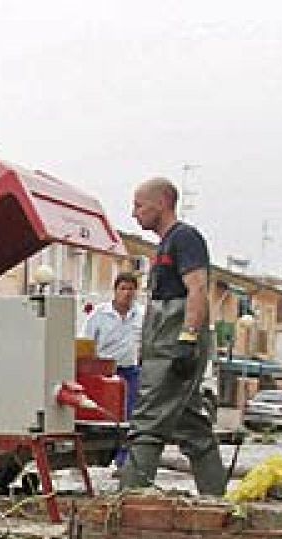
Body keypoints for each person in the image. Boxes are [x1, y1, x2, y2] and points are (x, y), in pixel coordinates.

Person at [120, 177, 227, 495]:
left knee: (148, 419)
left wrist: (188, 339)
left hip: (174, 341)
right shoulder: (164, 244)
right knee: (190, 423)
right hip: (163, 339)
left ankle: (128, 500)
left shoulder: (185, 238)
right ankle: (215, 495)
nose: (134, 213)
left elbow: (197, 289)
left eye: (139, 205)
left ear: (162, 202)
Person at [85, 270, 143, 417]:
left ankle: (126, 437)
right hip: (104, 371)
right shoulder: (99, 314)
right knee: (106, 412)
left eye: (131, 289)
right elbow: (87, 341)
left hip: (130, 372)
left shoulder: (141, 315)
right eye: (123, 288)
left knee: (129, 412)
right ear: (115, 290)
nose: (127, 293)